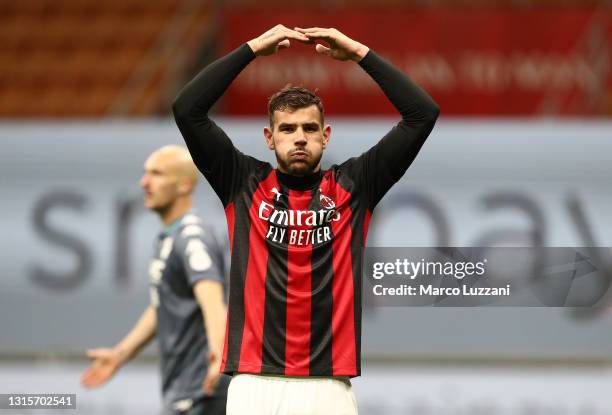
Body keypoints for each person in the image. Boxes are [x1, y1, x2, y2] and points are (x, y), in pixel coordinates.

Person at [172, 25, 439, 415]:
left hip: (327, 385)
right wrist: (250, 50)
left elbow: (422, 115)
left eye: (310, 129)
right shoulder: (241, 182)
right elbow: (187, 110)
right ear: (269, 137)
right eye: (288, 129)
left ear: (325, 136)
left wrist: (360, 53)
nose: (299, 138)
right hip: (253, 383)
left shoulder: (355, 186)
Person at [80, 145, 230, 415]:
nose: (144, 182)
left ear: (184, 184)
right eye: (145, 173)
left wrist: (218, 355)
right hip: (185, 389)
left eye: (157, 174)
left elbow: (213, 301)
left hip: (201, 391)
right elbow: (163, 303)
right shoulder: (171, 237)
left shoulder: (192, 237)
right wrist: (120, 354)